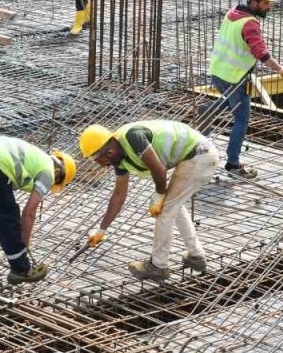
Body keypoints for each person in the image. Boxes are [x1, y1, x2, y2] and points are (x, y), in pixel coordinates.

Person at [79, 120, 217, 281]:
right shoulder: (120, 159)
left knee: (165, 209)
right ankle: (196, 256)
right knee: (173, 206)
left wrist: (158, 195)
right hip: (194, 157)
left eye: (99, 161)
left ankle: (158, 266)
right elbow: (118, 195)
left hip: (199, 155)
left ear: (108, 152)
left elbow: (158, 170)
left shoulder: (133, 137)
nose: (103, 166)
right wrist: (101, 229)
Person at [206, 0, 283, 179]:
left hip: (218, 72)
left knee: (231, 103)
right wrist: (281, 69)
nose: (269, 7)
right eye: (265, 3)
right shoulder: (250, 23)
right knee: (242, 118)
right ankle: (233, 164)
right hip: (234, 78)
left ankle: (209, 111)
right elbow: (261, 53)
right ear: (253, 2)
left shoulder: (232, 13)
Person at [0, 136, 77, 284]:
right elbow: (28, 213)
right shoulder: (49, 172)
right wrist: (23, 248)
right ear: (59, 172)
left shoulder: (37, 157)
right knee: (7, 216)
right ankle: (21, 270)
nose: (51, 184)